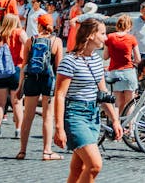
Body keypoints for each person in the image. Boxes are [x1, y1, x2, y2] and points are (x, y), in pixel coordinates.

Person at [53, 17, 122, 183]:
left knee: (78, 169)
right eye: (103, 33)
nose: (106, 38)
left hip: (93, 116)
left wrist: (115, 120)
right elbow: (60, 95)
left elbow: (102, 92)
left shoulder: (96, 60)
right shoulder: (69, 61)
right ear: (91, 35)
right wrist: (59, 128)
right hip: (75, 115)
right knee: (94, 165)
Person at [17, 13, 64, 161]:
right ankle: (47, 151)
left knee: (27, 117)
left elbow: (24, 64)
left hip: (31, 79)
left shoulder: (31, 41)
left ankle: (22, 151)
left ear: (39, 25)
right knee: (47, 117)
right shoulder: (56, 41)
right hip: (48, 80)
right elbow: (59, 67)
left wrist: (20, 86)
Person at [0, 13, 26, 139]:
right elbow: (29, 45)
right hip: (17, 69)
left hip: (1, 72)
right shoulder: (19, 32)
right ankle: (18, 130)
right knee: (17, 103)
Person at [102, 14, 140, 114]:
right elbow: (138, 59)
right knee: (130, 102)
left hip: (114, 72)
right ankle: (130, 128)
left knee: (118, 103)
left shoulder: (109, 37)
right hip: (128, 72)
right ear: (129, 26)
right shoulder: (131, 38)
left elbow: (105, 56)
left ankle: (117, 125)